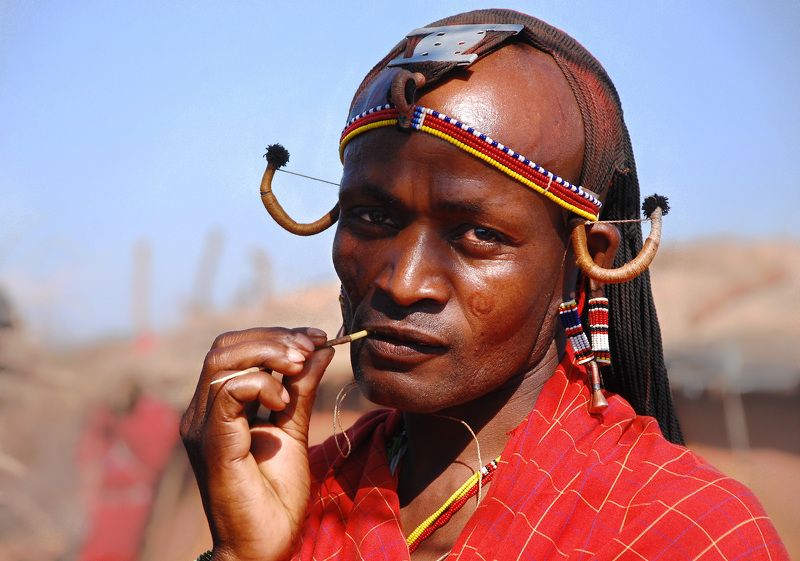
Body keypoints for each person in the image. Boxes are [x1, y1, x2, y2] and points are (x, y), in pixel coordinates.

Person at [181, 9, 788, 561]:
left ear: (587, 259)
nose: (403, 283)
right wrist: (239, 553)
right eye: (372, 217)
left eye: (477, 234)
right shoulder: (293, 497)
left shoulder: (682, 530)